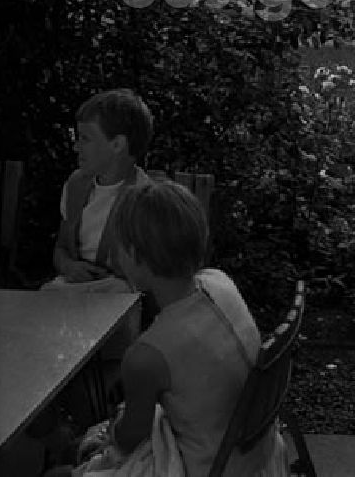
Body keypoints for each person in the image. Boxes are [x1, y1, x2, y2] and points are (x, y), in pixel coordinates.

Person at [67, 181, 288, 477]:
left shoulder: (146, 355)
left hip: (206, 466)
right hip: (254, 455)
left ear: (133, 254)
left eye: (116, 247)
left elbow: (129, 437)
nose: (114, 256)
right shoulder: (219, 282)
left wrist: (105, 435)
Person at [47, 88, 154, 291]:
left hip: (120, 293)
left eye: (85, 138)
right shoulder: (75, 185)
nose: (76, 147)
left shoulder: (144, 198)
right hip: (74, 287)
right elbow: (60, 248)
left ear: (117, 144)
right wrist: (69, 266)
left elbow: (152, 273)